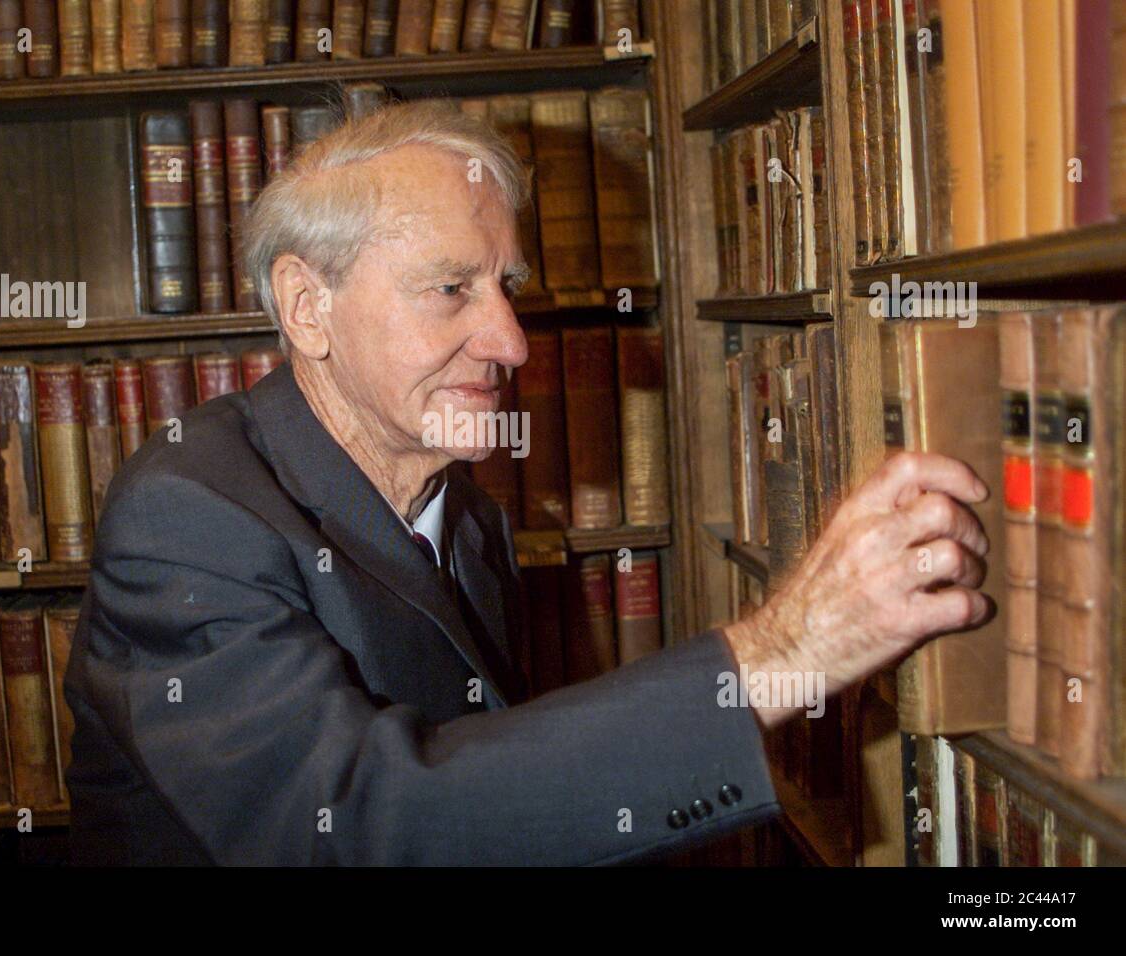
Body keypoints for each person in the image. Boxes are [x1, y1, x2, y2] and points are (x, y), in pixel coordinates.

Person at [65, 101, 991, 865]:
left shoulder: (461, 511)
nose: (512, 342)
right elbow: (355, 827)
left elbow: (496, 791)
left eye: (508, 287)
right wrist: (788, 648)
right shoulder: (185, 515)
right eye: (451, 290)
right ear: (310, 308)